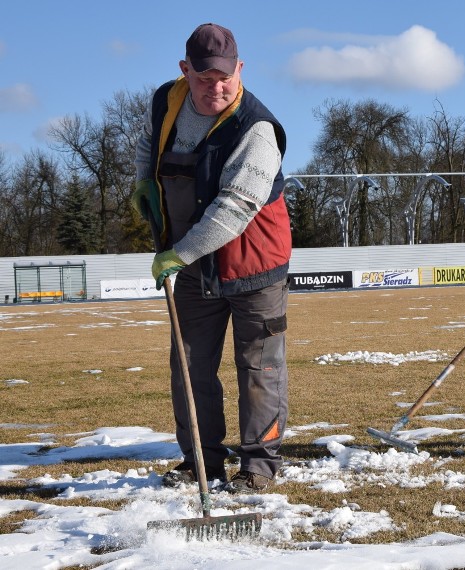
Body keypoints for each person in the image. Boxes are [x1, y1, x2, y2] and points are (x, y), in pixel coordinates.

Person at [132, 23, 291, 492]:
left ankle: (258, 467)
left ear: (239, 69)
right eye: (204, 78)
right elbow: (148, 142)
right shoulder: (168, 100)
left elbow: (234, 208)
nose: (216, 87)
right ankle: (201, 461)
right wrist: (144, 180)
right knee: (188, 364)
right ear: (185, 71)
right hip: (195, 265)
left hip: (254, 265)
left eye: (225, 76)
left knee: (259, 367)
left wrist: (178, 254)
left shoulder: (256, 128)